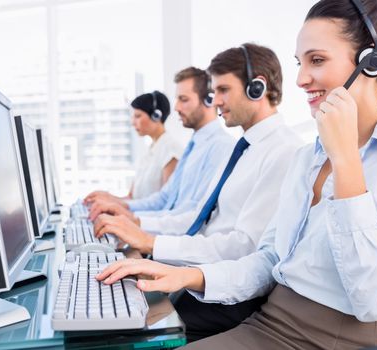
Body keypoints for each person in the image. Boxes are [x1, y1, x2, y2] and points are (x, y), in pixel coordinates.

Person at [96, 0, 377, 348]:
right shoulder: (307, 157)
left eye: (316, 60)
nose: (301, 79)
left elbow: (374, 300)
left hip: (343, 340)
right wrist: (190, 275)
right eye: (299, 62)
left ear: (371, 62)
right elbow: (271, 260)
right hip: (270, 321)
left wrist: (346, 160)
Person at [93, 43, 303, 340]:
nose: (215, 101)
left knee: (125, 334)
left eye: (223, 90)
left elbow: (246, 248)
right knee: (112, 307)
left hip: (228, 290)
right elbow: (196, 217)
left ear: (258, 87)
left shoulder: (283, 151)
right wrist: (148, 240)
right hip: (202, 271)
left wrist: (152, 243)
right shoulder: (243, 149)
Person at [84, 67, 234, 217]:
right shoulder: (194, 146)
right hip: (163, 229)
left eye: (184, 99)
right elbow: (164, 198)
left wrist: (133, 220)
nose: (176, 107)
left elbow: (190, 216)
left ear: (209, 100)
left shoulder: (220, 147)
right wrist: (117, 206)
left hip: (174, 234)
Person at [127, 90, 182, 200]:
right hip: (135, 213)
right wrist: (105, 199)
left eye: (138, 116)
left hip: (147, 216)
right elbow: (131, 197)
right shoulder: (149, 151)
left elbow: (167, 202)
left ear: (156, 116)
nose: (133, 122)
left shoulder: (171, 150)